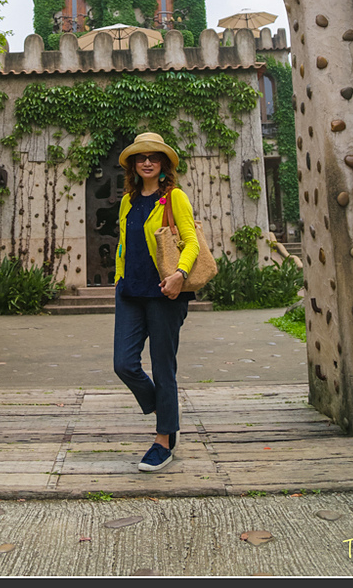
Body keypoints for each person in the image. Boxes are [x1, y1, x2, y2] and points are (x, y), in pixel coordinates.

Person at [113, 131, 200, 472]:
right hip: (130, 292)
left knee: (164, 368)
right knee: (124, 364)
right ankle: (167, 412)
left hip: (166, 293)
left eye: (153, 157)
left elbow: (191, 241)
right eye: (141, 157)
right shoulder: (127, 200)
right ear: (133, 165)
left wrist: (180, 274)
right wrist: (119, 278)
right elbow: (124, 243)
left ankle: (163, 440)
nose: (147, 162)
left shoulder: (174, 197)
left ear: (164, 165)